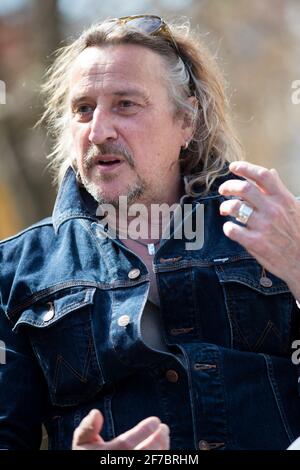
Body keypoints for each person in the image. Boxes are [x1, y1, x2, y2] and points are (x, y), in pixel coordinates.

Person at [0, 14, 300, 451]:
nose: (99, 131)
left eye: (126, 104)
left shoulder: (274, 230)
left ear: (187, 123)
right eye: (83, 109)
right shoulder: (15, 271)